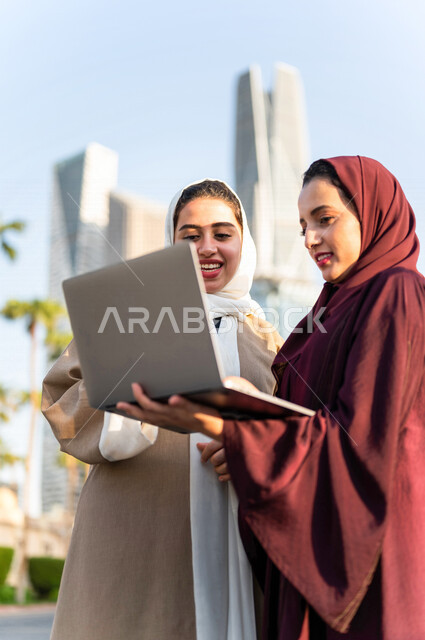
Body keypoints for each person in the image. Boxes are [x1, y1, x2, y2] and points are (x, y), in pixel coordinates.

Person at [118, 157, 425, 639]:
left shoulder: (397, 292)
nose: (310, 240)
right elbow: (300, 420)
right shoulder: (317, 320)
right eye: (303, 226)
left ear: (374, 213)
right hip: (306, 553)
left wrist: (239, 434)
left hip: (366, 561)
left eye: (325, 220)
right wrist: (242, 432)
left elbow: (363, 441)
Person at [42, 179, 282, 640]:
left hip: (240, 536)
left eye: (222, 233)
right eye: (190, 235)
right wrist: (136, 401)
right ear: (171, 243)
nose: (206, 247)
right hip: (139, 534)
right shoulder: (130, 311)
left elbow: (299, 433)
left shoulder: (271, 340)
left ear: (243, 241)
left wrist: (251, 452)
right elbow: (63, 398)